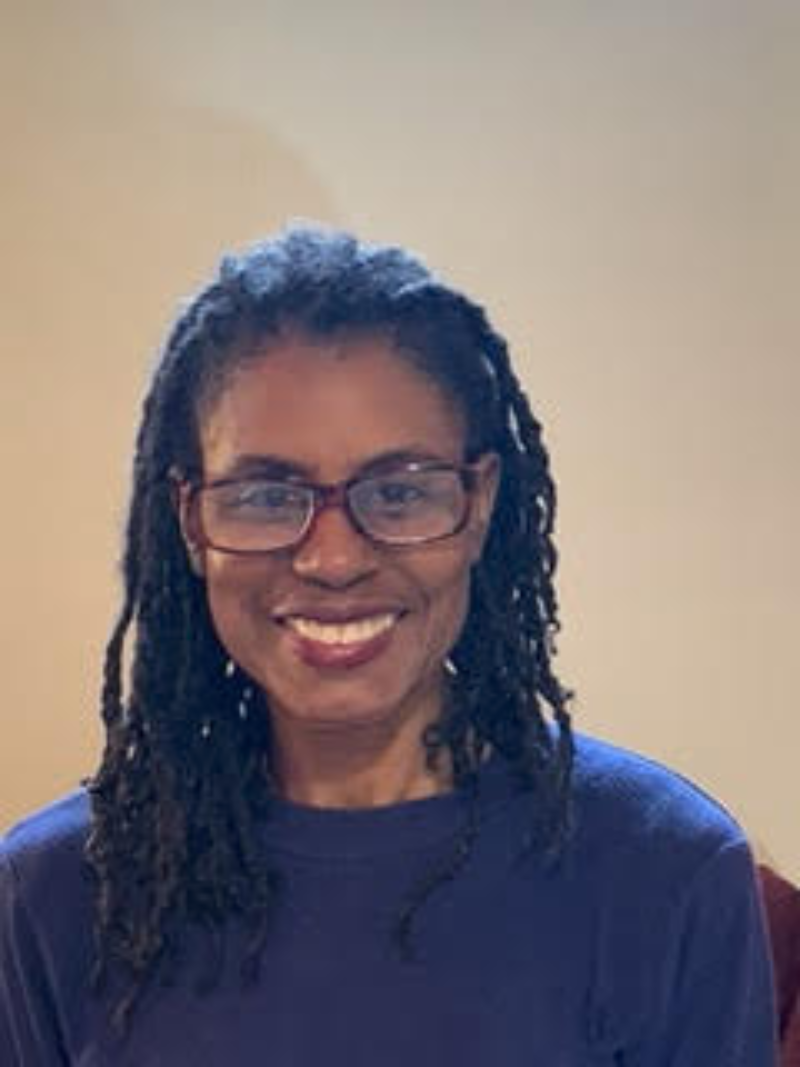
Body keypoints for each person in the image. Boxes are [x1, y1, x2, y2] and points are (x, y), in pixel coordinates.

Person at [0, 226, 778, 1065]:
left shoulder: (664, 870)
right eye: (266, 493)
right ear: (190, 519)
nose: (333, 557)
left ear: (479, 503)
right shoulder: (51, 896)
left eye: (400, 490)